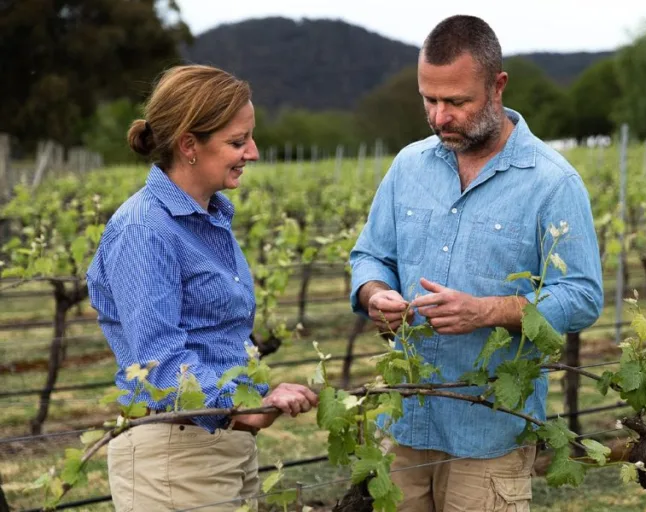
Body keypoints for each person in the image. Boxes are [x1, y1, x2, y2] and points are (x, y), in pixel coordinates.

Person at [348, 15, 603, 512]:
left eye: (457, 102)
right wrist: (375, 293)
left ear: (497, 86)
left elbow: (583, 295)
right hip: (403, 420)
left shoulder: (552, 182)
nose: (440, 117)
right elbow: (370, 255)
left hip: (490, 432)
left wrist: (486, 311)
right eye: (430, 100)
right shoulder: (408, 166)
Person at [86, 64, 318, 512]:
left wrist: (251, 403)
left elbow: (214, 340)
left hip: (220, 448)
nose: (252, 152)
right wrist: (241, 404)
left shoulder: (209, 219)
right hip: (176, 458)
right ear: (189, 144)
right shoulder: (145, 230)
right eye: (237, 141)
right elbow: (161, 362)